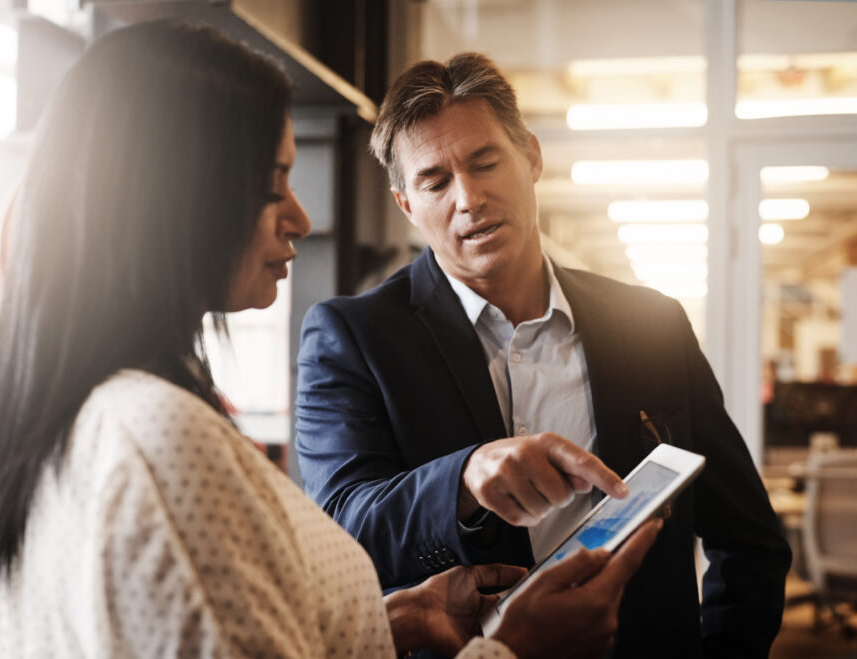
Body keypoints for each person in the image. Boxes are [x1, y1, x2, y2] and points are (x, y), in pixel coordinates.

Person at [0, 21, 662, 658]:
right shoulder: (157, 435)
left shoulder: (100, 413)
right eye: (273, 184)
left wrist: (385, 623)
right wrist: (514, 648)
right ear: (180, 197)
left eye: (484, 164)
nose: (299, 216)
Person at [296, 52, 792, 658]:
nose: (469, 198)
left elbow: (748, 538)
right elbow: (344, 527)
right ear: (406, 204)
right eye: (436, 182)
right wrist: (464, 479)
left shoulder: (652, 324)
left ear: (530, 156)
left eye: (485, 163)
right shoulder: (354, 337)